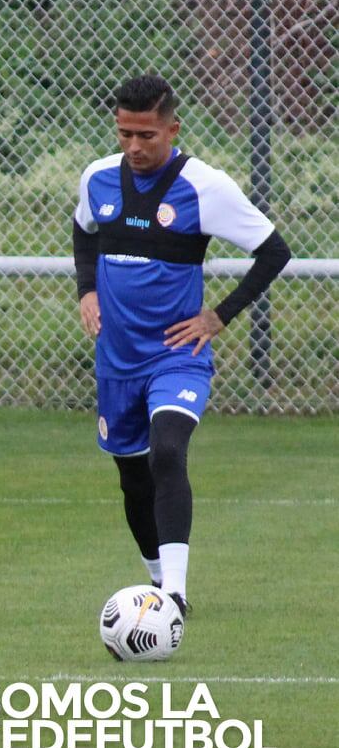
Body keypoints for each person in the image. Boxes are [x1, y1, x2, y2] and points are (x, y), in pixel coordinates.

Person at [73, 74, 292, 619]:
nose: (134, 146)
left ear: (172, 129)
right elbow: (84, 232)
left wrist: (218, 316)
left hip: (177, 357)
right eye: (125, 133)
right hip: (116, 360)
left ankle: (173, 593)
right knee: (132, 477)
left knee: (167, 451)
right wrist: (87, 290)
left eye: (146, 135)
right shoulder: (98, 178)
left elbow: (273, 251)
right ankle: (155, 579)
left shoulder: (204, 187)